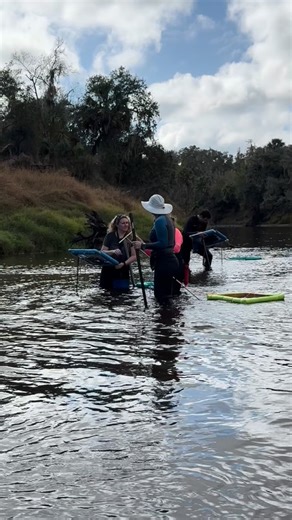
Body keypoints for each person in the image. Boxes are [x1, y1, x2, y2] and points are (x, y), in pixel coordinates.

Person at [132, 194, 179, 304]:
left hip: (164, 261)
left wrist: (143, 245)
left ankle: (164, 319)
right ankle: (169, 319)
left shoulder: (159, 221)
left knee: (161, 296)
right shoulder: (167, 219)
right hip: (168, 260)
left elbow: (163, 243)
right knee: (166, 296)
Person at [100, 214, 136, 291]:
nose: (126, 225)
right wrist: (112, 251)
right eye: (123, 223)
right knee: (106, 292)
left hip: (123, 268)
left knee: (122, 292)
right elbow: (102, 252)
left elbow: (134, 256)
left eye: (127, 223)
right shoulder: (110, 236)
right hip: (109, 268)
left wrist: (123, 264)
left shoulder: (131, 237)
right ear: (117, 225)